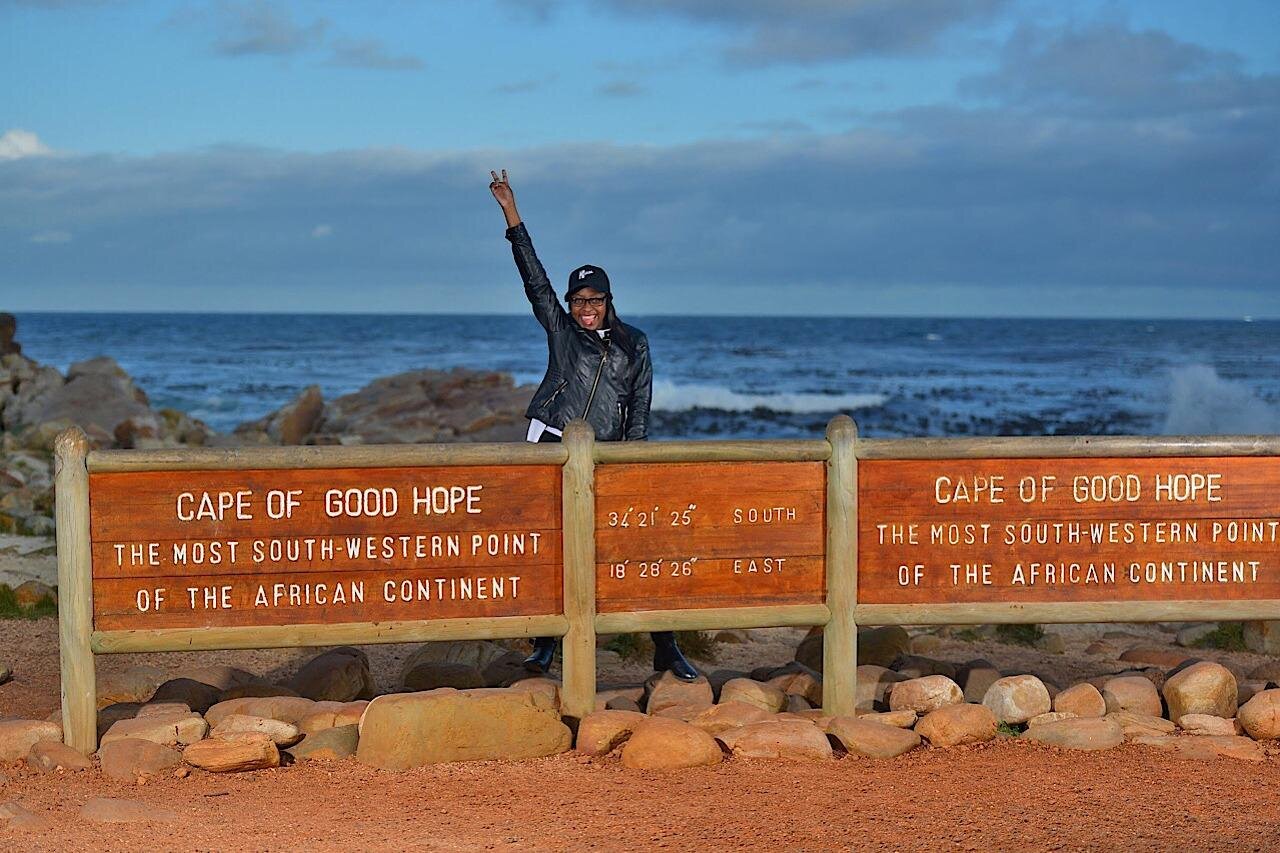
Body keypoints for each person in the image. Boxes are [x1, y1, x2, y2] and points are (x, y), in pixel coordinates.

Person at [489, 168, 698, 682]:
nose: (586, 309)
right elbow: (534, 278)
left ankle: (667, 647)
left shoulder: (634, 343)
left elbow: (640, 404)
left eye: (594, 300)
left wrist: (634, 459)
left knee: (633, 548)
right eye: (579, 300)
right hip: (553, 441)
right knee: (552, 545)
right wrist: (512, 214)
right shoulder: (560, 330)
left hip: (606, 453)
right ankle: (545, 645)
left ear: (608, 301)